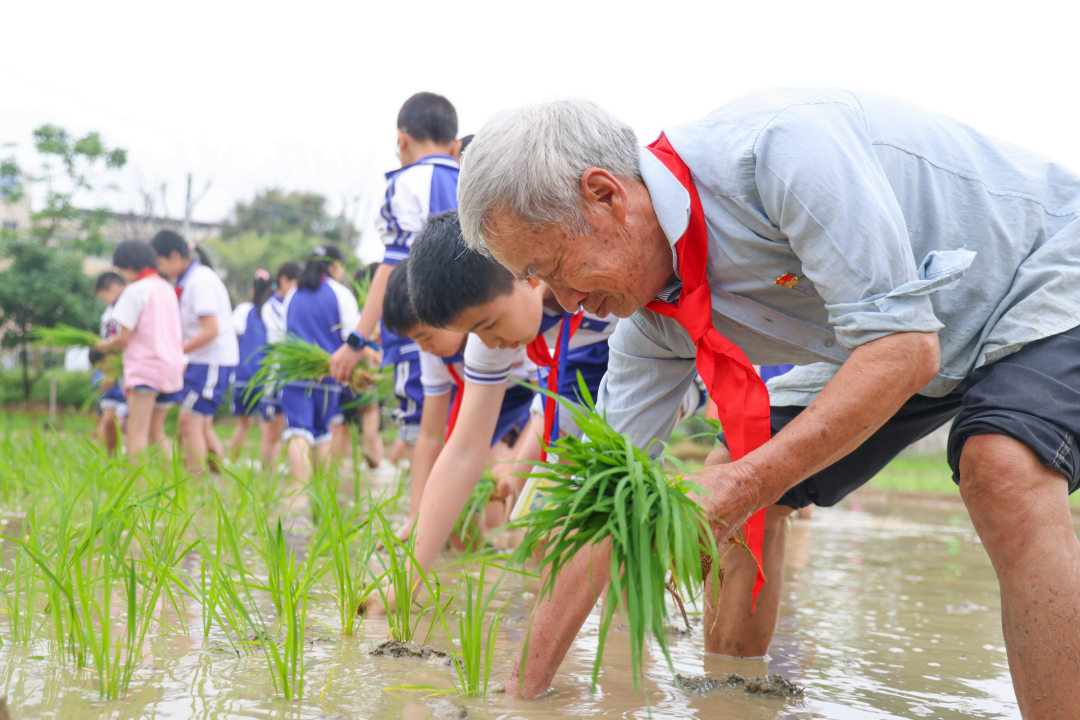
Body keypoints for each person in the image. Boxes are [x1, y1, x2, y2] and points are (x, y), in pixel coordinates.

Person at [456, 91, 1080, 715]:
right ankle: (735, 700)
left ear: (606, 196)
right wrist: (519, 694)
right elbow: (599, 519)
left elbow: (903, 351)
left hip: (1035, 273)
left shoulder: (782, 155)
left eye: (556, 265)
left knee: (1001, 465)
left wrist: (747, 483)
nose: (565, 302)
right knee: (737, 469)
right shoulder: (650, 328)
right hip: (914, 328)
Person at [364, 211, 617, 616]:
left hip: (657, 354)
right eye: (475, 332)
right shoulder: (492, 336)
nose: (488, 343)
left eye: (488, 324)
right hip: (576, 373)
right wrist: (405, 579)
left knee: (614, 513)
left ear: (526, 273)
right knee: (547, 532)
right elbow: (463, 452)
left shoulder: (606, 272)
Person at [327, 92, 462, 466]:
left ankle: (424, 517)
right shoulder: (468, 178)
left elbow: (392, 264)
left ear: (402, 139)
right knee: (463, 428)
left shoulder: (407, 182)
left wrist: (357, 339)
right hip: (471, 330)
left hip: (421, 334)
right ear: (454, 144)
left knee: (424, 434)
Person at [380, 257, 534, 543]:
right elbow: (430, 435)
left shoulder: (512, 330)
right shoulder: (435, 356)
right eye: (415, 341)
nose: (424, 348)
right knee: (455, 491)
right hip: (481, 396)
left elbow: (549, 406)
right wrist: (416, 514)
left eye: (425, 335)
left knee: (513, 478)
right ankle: (476, 550)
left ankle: (513, 536)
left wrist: (515, 463)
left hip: (530, 395)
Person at [151, 231, 239, 474]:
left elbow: (211, 330)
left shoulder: (199, 281)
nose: (161, 270)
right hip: (202, 361)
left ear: (175, 256)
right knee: (200, 424)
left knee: (189, 423)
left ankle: (195, 484)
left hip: (212, 361)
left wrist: (175, 351)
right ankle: (219, 477)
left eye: (160, 263)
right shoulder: (189, 281)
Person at [94, 240, 183, 461]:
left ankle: (138, 490)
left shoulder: (135, 291)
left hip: (145, 368)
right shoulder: (167, 289)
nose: (123, 275)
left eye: (122, 269)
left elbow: (123, 337)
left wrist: (103, 345)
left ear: (129, 265)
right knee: (157, 432)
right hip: (170, 369)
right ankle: (173, 487)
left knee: (137, 432)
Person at [280, 245, 359, 485]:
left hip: (294, 373)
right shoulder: (341, 294)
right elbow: (352, 339)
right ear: (335, 266)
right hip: (329, 376)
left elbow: (284, 334)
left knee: (298, 430)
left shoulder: (293, 294)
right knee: (322, 430)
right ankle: (322, 496)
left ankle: (298, 494)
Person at [228, 269, 285, 468]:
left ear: (253, 288)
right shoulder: (275, 310)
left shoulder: (244, 310)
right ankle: (270, 468)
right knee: (267, 427)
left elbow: (234, 336)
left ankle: (233, 462)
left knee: (242, 424)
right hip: (266, 375)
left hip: (243, 374)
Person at [331, 264, 385, 469]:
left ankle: (334, 468)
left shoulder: (351, 303)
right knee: (370, 412)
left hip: (342, 372)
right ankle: (371, 451)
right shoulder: (370, 308)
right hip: (362, 368)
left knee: (343, 422)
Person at [91, 271, 128, 455]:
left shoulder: (129, 306)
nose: (106, 302)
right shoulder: (109, 314)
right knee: (108, 419)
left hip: (128, 371)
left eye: (104, 297)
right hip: (112, 371)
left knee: (130, 422)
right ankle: (112, 460)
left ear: (113, 289)